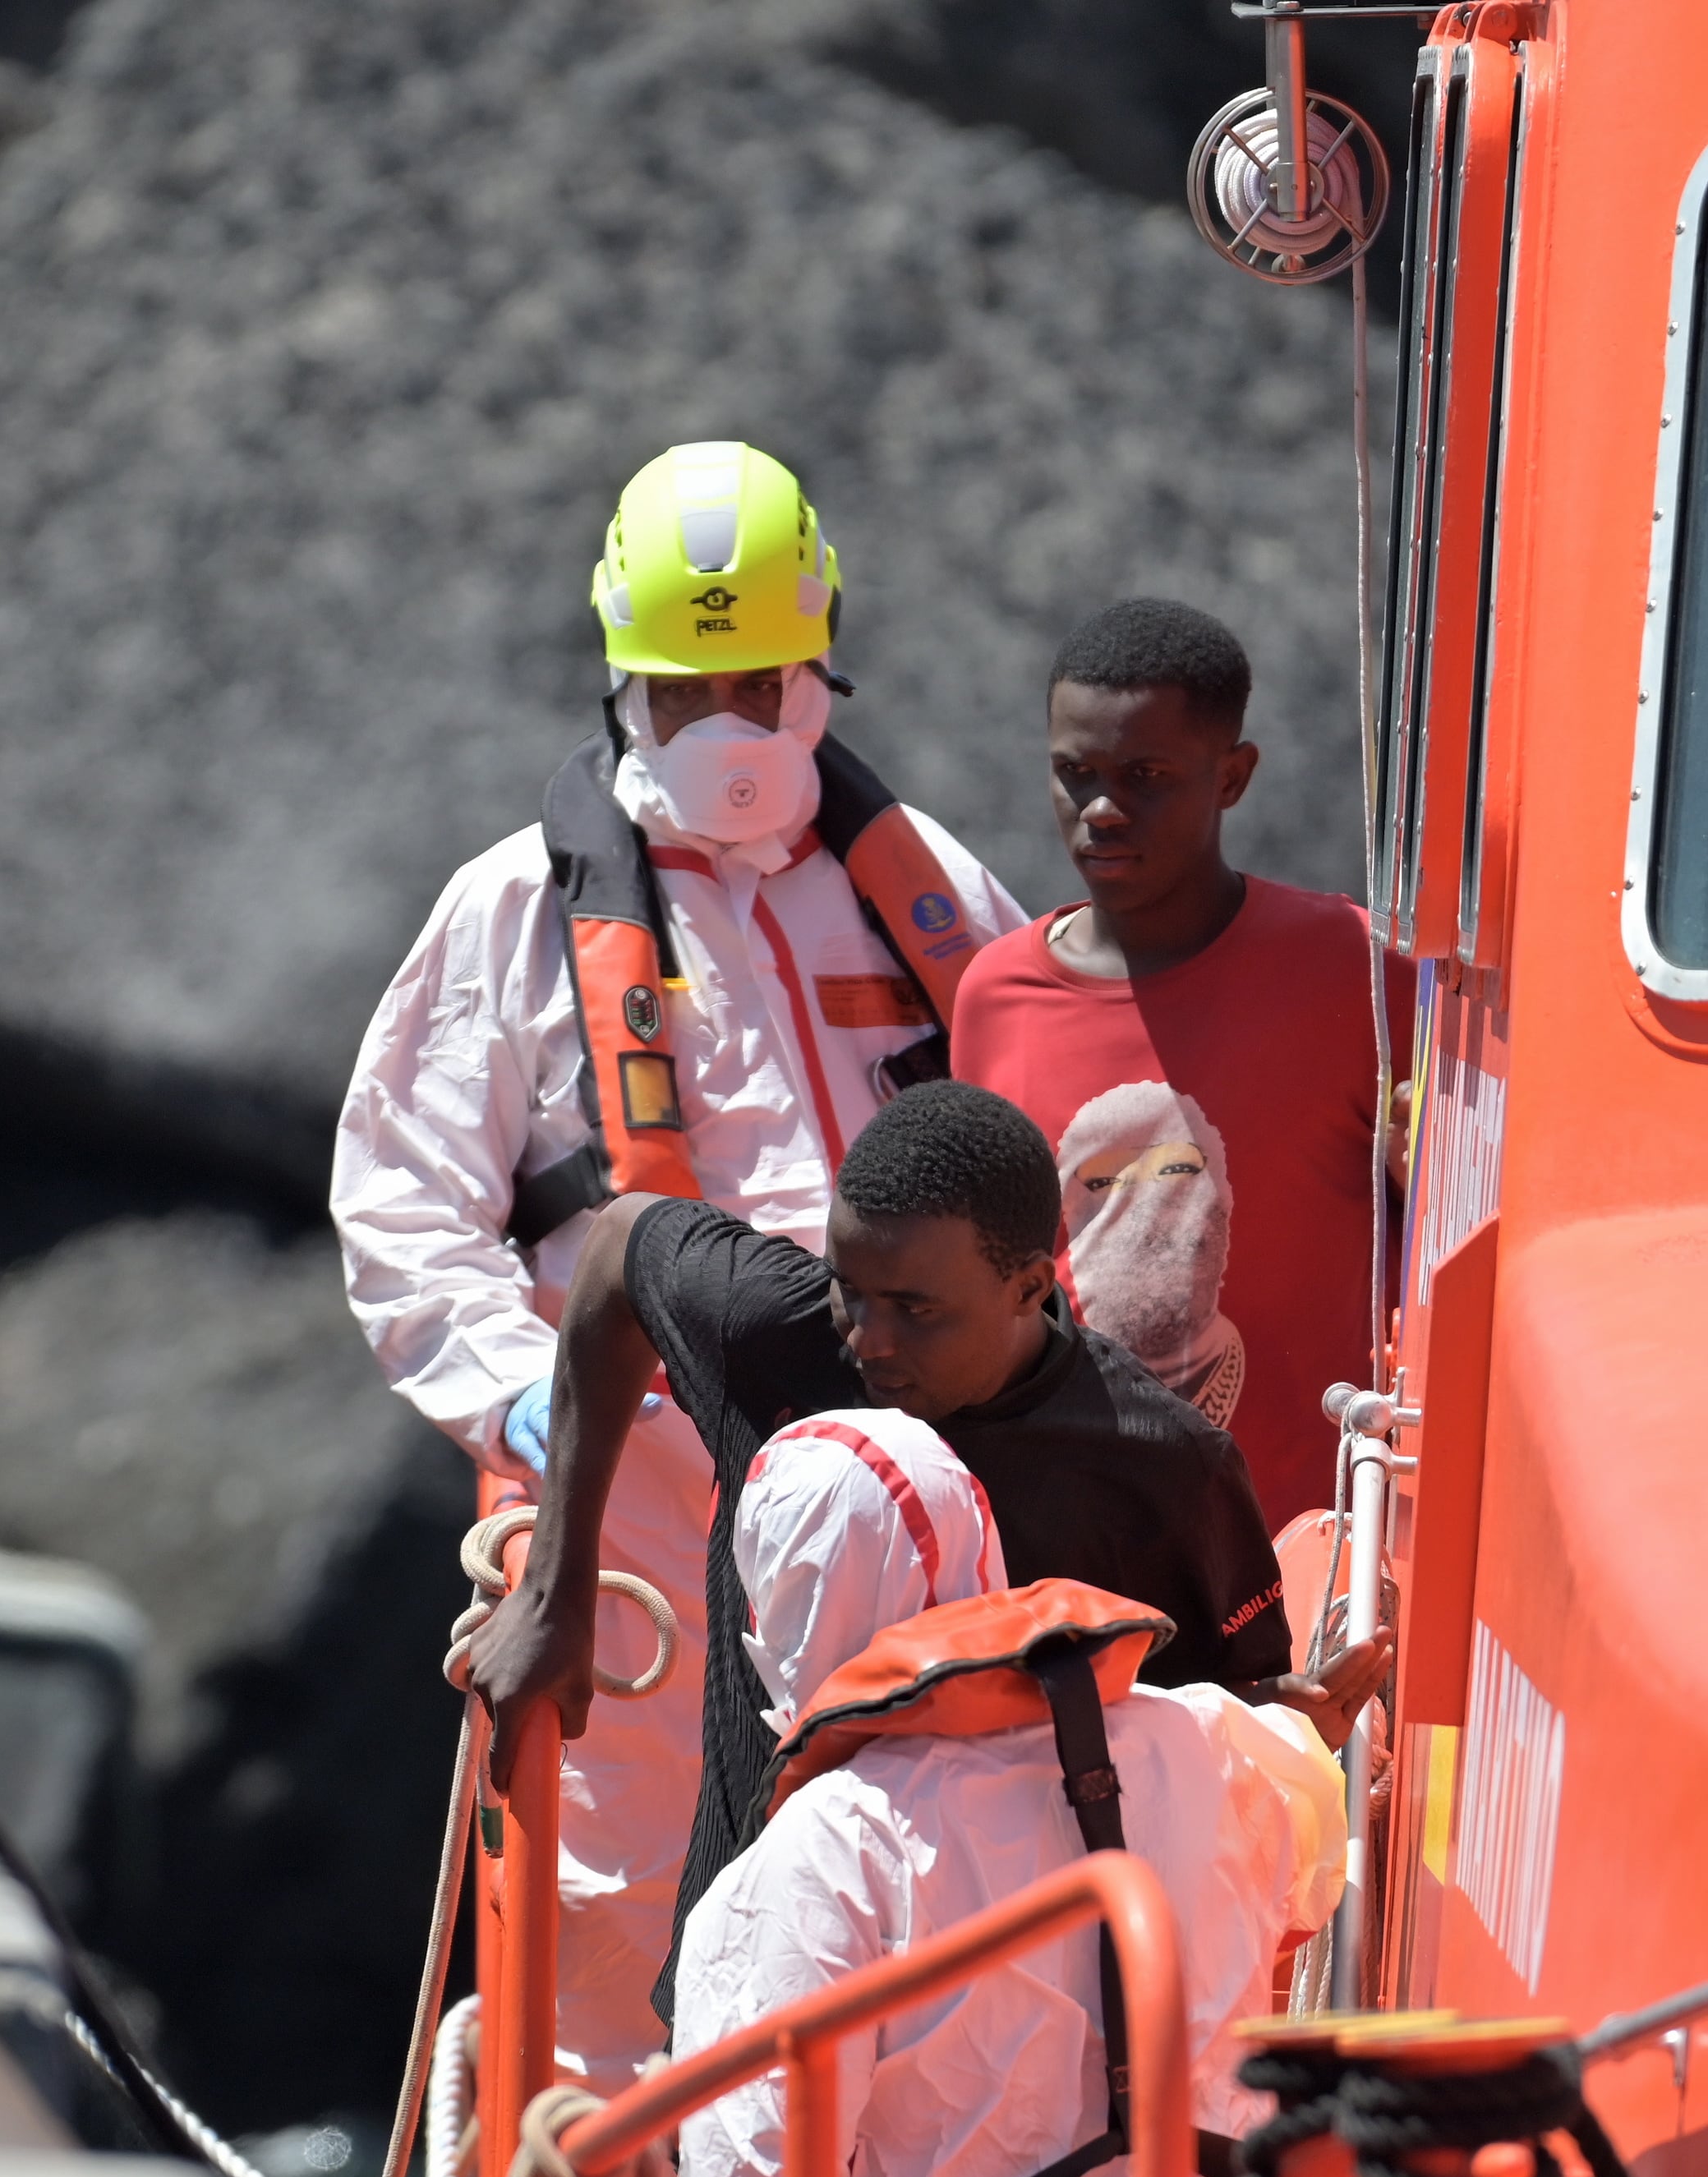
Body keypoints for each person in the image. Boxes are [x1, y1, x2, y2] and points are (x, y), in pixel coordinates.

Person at [334, 440, 1027, 2088]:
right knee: (612, 1940)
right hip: (633, 1528)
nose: (722, 720)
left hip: (908, 1510)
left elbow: (1033, 1128)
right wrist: (533, 1423)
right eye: (681, 685)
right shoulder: (511, 912)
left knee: (928, 1891)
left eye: (752, 676)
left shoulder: (921, 886)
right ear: (620, 682)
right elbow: (401, 1206)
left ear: (818, 661)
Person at [457, 1079, 1382, 2033]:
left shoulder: (1158, 1468)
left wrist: (1283, 1723)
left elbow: (1226, 1713)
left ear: (1030, 1284)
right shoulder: (781, 1337)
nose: (867, 1341)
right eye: (848, 1289)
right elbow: (619, 1244)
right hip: (753, 1990)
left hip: (1014, 2041)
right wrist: (557, 1584)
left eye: (915, 1309)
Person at [645, 1421, 1345, 2177]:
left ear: (773, 1622)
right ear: (985, 1545)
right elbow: (1309, 1866)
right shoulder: (1206, 1740)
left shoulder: (817, 1861)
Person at [950, 599, 1411, 1528]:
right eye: (1073, 775)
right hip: (1090, 1554)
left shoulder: (1357, 973)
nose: (1101, 810)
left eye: (1144, 776)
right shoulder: (993, 995)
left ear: (1232, 777)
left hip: (1331, 1558)